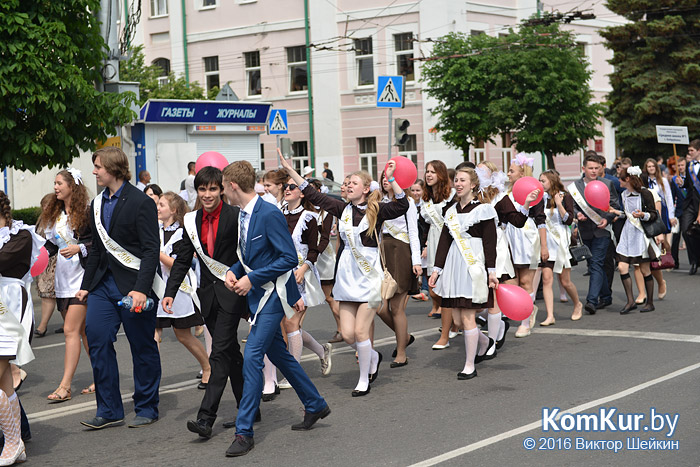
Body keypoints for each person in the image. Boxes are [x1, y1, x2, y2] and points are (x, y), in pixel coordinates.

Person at [222, 160, 331, 457]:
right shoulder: (244, 213)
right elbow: (248, 256)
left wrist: (252, 279)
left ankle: (244, 432)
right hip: (257, 295)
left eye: (223, 186)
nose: (223, 192)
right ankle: (315, 403)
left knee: (253, 355)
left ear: (233, 186)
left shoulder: (268, 212)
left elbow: (286, 258)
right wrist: (234, 270)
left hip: (273, 296)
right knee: (278, 354)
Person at [281, 155, 408, 397]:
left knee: (361, 332)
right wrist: (292, 170)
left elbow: (402, 205)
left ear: (366, 189)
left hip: (370, 278)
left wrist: (391, 178)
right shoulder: (342, 209)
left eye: (354, 183)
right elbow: (313, 194)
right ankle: (374, 355)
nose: (348, 186)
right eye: (347, 183)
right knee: (348, 334)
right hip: (347, 277)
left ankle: (364, 379)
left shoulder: (377, 211)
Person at [76, 147, 161, 430]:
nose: (94, 171)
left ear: (113, 168)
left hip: (133, 286)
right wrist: (86, 286)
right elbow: (98, 251)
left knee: (142, 346)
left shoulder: (140, 201)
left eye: (98, 166)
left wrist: (142, 289)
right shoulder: (97, 204)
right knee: (97, 338)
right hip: (103, 285)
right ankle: (110, 409)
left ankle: (147, 406)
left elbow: (151, 250)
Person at [163, 167, 246, 440]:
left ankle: (205, 418)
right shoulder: (191, 221)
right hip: (207, 297)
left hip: (232, 293)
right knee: (231, 352)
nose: (207, 194)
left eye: (212, 189)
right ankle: (249, 407)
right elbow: (183, 259)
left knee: (219, 353)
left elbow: (247, 254)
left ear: (221, 189)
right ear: (196, 191)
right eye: (202, 189)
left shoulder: (236, 216)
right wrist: (170, 292)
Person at [429, 167, 498, 380]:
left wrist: (491, 271)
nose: (458, 184)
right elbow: (444, 241)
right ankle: (485, 341)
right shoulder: (450, 211)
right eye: (456, 180)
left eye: (463, 180)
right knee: (457, 319)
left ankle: (469, 365)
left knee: (468, 316)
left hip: (474, 265)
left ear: (473, 185)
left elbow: (490, 242)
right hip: (454, 265)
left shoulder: (483, 209)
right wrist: (436, 270)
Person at [43, 169, 93, 403]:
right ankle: (102, 375)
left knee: (70, 331)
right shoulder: (57, 214)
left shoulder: (86, 212)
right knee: (83, 332)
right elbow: (51, 246)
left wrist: (79, 248)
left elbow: (97, 245)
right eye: (54, 183)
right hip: (62, 280)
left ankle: (65, 386)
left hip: (82, 279)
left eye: (60, 183)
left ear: (73, 186)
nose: (56, 187)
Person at [0, 191, 42, 465]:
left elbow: (4, 262)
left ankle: (13, 442)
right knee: (5, 384)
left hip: (10, 311)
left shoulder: (21, 236)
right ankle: (16, 443)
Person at [154, 192, 211, 389]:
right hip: (155, 288)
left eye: (162, 204)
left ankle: (208, 367)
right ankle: (150, 380)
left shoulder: (181, 234)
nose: (158, 207)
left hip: (178, 290)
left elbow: (178, 265)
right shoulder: (155, 231)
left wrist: (158, 254)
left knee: (182, 335)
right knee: (153, 333)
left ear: (174, 210)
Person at [280, 179, 332, 381]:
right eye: (285, 186)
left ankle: (293, 376)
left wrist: (303, 269)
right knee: (288, 325)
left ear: (302, 193)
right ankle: (321, 351)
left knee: (291, 324)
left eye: (292, 186)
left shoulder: (309, 217)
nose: (287, 189)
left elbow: (314, 249)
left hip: (302, 275)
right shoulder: (278, 214)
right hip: (281, 275)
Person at [377, 171, 422, 367]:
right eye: (383, 178)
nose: (385, 181)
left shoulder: (408, 203)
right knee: (379, 307)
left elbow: (413, 231)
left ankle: (401, 352)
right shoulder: (378, 201)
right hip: (383, 252)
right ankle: (405, 336)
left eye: (390, 178)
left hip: (401, 252)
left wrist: (417, 260)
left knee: (396, 307)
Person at [568, 153, 620, 315]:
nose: (593, 171)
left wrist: (608, 219)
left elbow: (614, 205)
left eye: (596, 168)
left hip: (602, 230)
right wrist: (577, 215)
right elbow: (573, 207)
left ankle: (591, 301)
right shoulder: (575, 187)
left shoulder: (607, 183)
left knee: (597, 263)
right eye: (590, 168)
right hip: (585, 231)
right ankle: (606, 295)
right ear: (583, 169)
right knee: (593, 264)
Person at [504, 154, 548, 338]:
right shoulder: (505, 192)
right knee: (510, 281)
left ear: (522, 173)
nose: (507, 174)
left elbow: (540, 220)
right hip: (510, 236)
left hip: (527, 236)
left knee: (526, 282)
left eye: (511, 171)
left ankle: (525, 322)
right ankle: (521, 310)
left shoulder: (535, 191)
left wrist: (544, 245)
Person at [608, 167, 661, 313]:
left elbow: (653, 215)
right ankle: (630, 301)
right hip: (627, 233)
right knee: (623, 267)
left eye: (621, 178)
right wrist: (616, 212)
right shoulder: (624, 194)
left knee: (644, 269)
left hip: (640, 234)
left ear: (628, 179)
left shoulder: (645, 193)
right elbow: (627, 215)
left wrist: (643, 215)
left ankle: (649, 302)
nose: (618, 180)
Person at [419, 160, 456, 346]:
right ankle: (456, 321)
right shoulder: (426, 199)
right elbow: (423, 226)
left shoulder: (451, 197)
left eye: (433, 171)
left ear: (441, 174)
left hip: (448, 243)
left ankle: (446, 335)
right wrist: (423, 245)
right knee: (433, 292)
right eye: (427, 171)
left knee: (446, 291)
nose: (429, 174)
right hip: (432, 243)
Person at [538, 170, 583, 324]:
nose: (540, 183)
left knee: (565, 281)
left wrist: (558, 204)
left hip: (560, 244)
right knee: (546, 279)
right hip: (546, 244)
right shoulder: (541, 198)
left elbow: (569, 220)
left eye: (543, 181)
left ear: (551, 181)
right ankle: (550, 315)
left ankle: (577, 303)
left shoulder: (565, 196)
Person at [308, 179, 342, 343]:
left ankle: (344, 329)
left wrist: (313, 255)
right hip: (309, 257)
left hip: (324, 258)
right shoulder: (304, 208)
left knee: (329, 297)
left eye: (313, 190)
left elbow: (326, 238)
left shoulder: (327, 211)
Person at [34, 193, 58, 337]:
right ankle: (68, 321)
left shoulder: (57, 221)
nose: (45, 208)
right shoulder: (41, 220)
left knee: (48, 294)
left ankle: (42, 326)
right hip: (43, 261)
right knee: (51, 294)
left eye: (48, 205)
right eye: (43, 205)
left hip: (54, 261)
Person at [682, 139, 700, 274]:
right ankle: (693, 261)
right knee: (686, 231)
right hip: (690, 204)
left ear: (699, 151)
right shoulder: (689, 166)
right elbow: (689, 185)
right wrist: (682, 183)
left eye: (691, 151)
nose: (689, 153)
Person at [671, 157, 688, 269]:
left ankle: (695, 260)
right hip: (679, 211)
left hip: (689, 210)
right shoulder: (674, 179)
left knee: (690, 236)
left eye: (682, 165)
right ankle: (674, 261)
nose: (681, 167)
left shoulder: (692, 177)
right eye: (679, 165)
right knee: (676, 236)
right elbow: (672, 196)